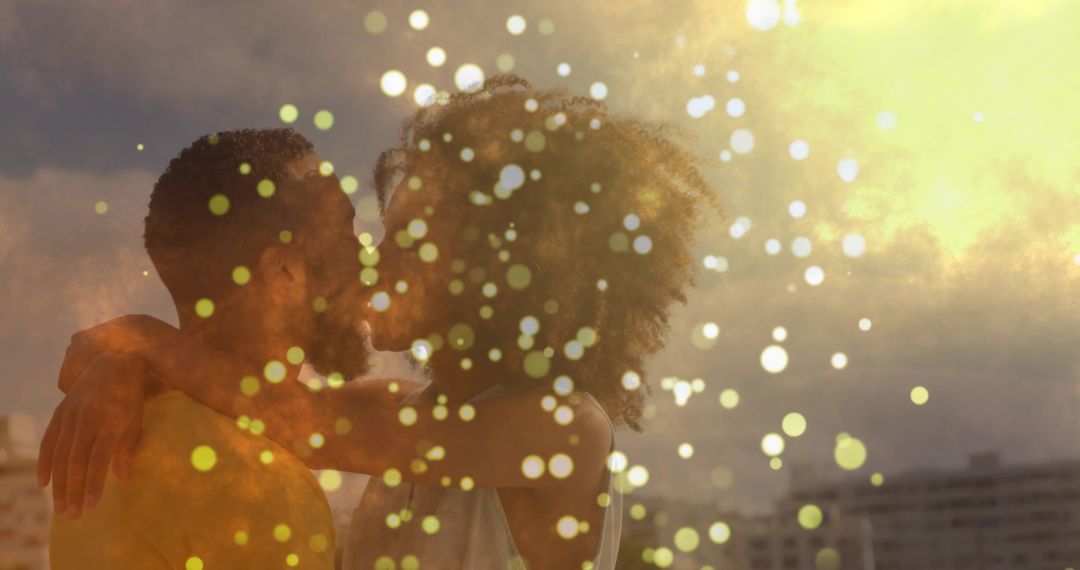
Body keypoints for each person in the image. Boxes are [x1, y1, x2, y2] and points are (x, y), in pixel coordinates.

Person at [44, 74, 717, 569]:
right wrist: (125, 370)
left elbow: (303, 424)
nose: (374, 256)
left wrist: (141, 337)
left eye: (406, 239)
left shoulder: (566, 427)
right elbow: (247, 396)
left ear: (493, 272)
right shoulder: (403, 410)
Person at [41, 129, 370, 569]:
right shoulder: (259, 480)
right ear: (283, 268)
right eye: (347, 234)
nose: (366, 256)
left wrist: (131, 352)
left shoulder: (103, 446)